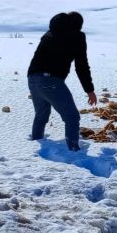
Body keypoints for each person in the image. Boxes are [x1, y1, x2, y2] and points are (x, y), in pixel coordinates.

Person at [28, 11, 97, 151]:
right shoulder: (77, 36)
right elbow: (81, 66)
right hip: (51, 81)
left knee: (41, 115)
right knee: (72, 117)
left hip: (33, 78)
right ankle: (73, 151)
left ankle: (35, 146)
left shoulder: (49, 33)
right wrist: (89, 90)